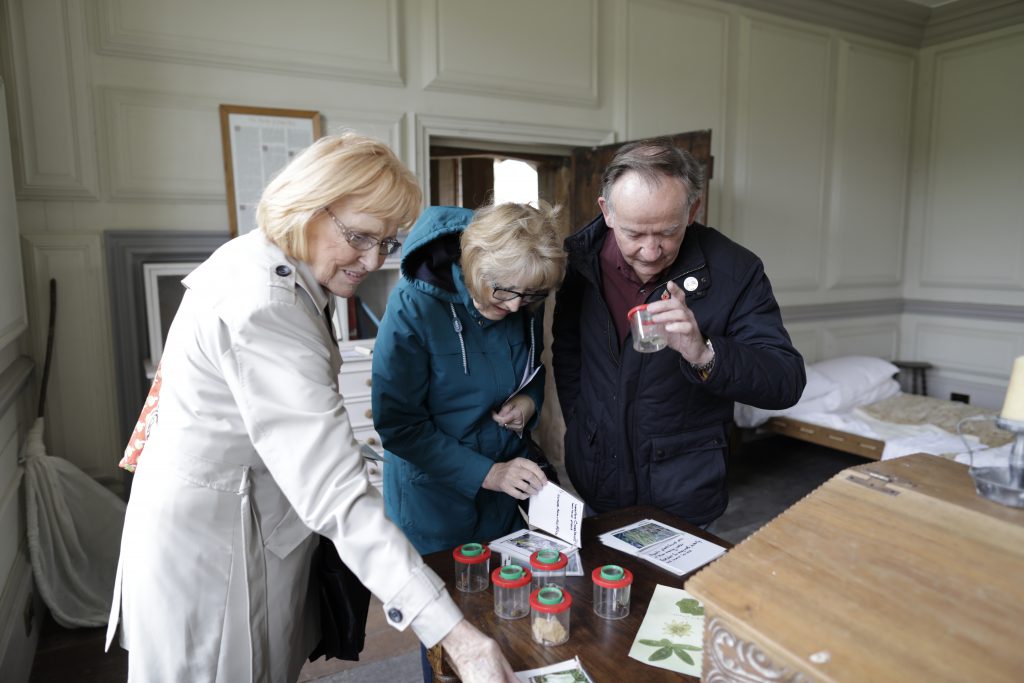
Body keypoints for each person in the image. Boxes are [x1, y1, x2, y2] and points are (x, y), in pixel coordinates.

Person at [105, 134, 517, 683]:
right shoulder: (265, 304)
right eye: (360, 237)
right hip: (217, 551)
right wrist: (454, 635)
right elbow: (334, 494)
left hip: (239, 517)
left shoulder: (268, 258)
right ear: (307, 205)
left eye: (387, 243)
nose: (372, 260)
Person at [551, 138, 806, 527]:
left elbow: (786, 381)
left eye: (667, 233)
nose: (651, 252)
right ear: (607, 212)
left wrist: (703, 353)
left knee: (678, 591)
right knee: (603, 588)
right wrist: (584, 428)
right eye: (635, 233)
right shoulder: (577, 263)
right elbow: (569, 355)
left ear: (693, 211)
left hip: (685, 494)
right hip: (596, 479)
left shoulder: (736, 271)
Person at [371, 202, 568, 556]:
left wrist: (528, 402)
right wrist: (489, 474)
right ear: (474, 263)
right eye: (504, 291)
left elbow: (532, 371)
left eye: (531, 296)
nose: (513, 307)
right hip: (433, 503)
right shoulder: (413, 306)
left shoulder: (522, 298)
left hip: (502, 502)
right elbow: (399, 426)